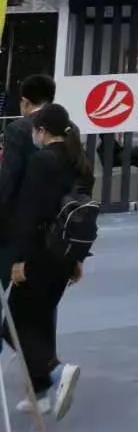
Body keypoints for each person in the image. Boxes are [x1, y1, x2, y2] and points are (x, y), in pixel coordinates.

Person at [6, 103, 93, 420]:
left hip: (40, 253)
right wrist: (77, 259)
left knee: (13, 324)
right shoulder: (78, 162)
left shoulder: (41, 161)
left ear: (42, 131)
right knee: (39, 320)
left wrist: (19, 259)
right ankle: (40, 394)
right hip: (66, 254)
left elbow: (29, 212)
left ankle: (55, 372)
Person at [0, 75, 56, 285]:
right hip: (55, 224)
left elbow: (9, 180)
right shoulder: (69, 127)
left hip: (19, 224)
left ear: (25, 101)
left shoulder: (18, 129)